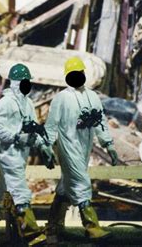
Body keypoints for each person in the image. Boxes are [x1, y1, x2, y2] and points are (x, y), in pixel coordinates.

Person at [43, 57, 119, 243]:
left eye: (80, 73)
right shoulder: (61, 99)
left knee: (64, 188)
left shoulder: (92, 96)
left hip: (84, 148)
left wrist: (108, 144)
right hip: (67, 147)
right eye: (74, 74)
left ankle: (53, 227)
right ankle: (92, 227)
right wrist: (46, 147)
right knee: (81, 183)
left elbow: (100, 122)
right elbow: (51, 126)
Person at [0, 64, 54, 244]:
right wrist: (16, 137)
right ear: (15, 83)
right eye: (23, 81)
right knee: (19, 191)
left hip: (21, 155)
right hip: (8, 154)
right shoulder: (5, 103)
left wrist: (43, 147)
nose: (27, 84)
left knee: (1, 193)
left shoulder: (27, 103)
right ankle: (31, 233)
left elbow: (34, 130)